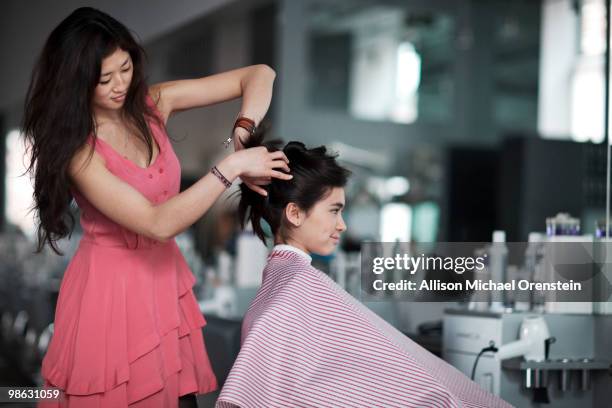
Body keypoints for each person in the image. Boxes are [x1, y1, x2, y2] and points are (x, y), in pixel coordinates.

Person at [22, 7, 292, 408]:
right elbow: (155, 223)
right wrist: (232, 166)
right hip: (108, 292)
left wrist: (242, 131)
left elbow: (260, 74)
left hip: (163, 279)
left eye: (126, 68)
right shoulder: (78, 151)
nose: (119, 85)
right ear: (77, 83)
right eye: (104, 79)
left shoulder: (154, 104)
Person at [215, 136, 513, 408]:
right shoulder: (293, 292)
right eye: (334, 210)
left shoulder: (284, 283)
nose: (342, 225)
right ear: (294, 213)